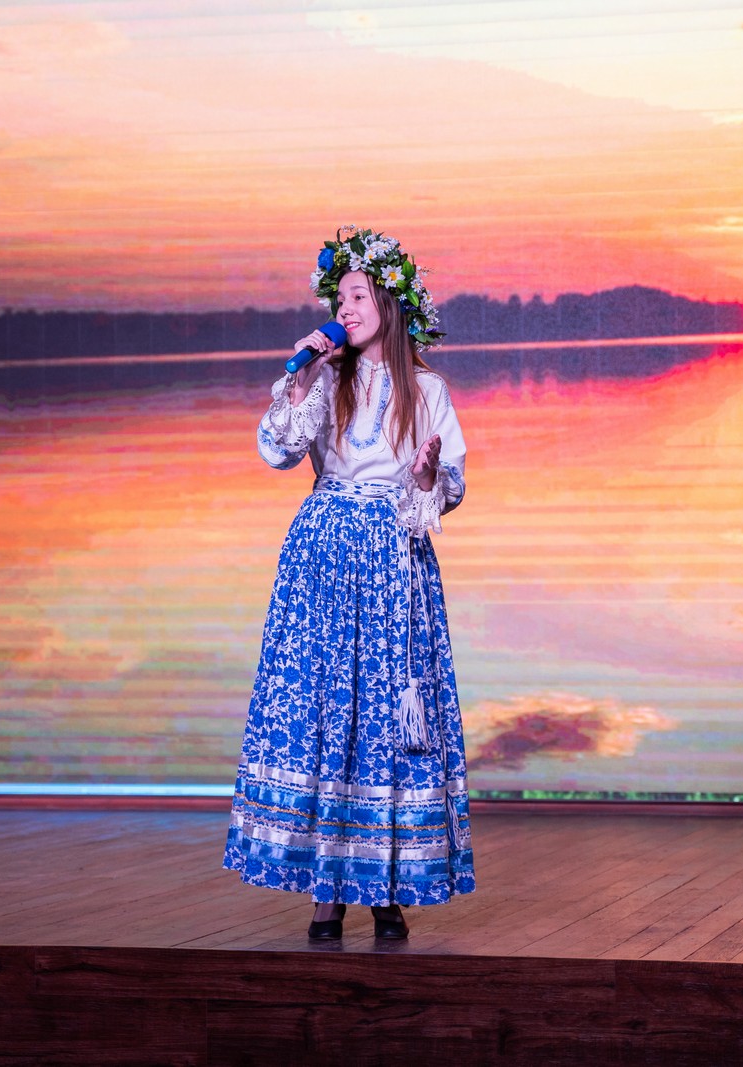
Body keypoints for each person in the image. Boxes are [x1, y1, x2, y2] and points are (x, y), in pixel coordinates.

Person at [222, 227, 475, 941]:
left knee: (383, 716)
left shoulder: (426, 390)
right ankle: (326, 891)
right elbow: (278, 450)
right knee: (325, 710)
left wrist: (426, 476)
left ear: (389, 305)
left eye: (358, 296)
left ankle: (383, 883)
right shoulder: (322, 383)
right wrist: (303, 377)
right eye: (339, 300)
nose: (346, 309)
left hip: (391, 559)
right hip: (323, 559)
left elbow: (449, 489)